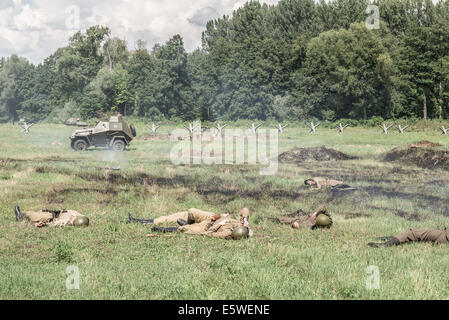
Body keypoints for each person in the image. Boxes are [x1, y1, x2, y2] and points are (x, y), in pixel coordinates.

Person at [128, 207, 252, 240]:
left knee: (185, 230)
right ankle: (186, 221)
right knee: (191, 211)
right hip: (211, 217)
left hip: (207, 226)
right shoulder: (243, 226)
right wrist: (245, 219)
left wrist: (215, 226)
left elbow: (208, 234)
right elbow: (244, 210)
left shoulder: (228, 233)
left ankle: (151, 225)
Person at [258, 205, 332, 229]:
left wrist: (294, 224)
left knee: (282, 219)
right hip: (306, 214)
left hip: (301, 218)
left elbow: (299, 224)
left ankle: (264, 218)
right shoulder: (328, 219)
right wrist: (315, 214)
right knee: (298, 212)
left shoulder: (311, 225)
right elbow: (323, 207)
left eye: (315, 220)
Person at [14, 206, 89, 227]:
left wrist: (45, 224)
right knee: (38, 214)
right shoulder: (76, 214)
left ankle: (20, 216)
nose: (73, 219)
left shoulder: (66, 222)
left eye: (73, 220)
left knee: (31, 214)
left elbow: (56, 223)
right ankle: (24, 219)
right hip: (53, 212)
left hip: (50, 217)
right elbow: (84, 218)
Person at [368, 228, 449, 247]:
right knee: (419, 238)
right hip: (445, 234)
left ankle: (385, 245)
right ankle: (393, 239)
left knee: (413, 233)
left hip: (444, 235)